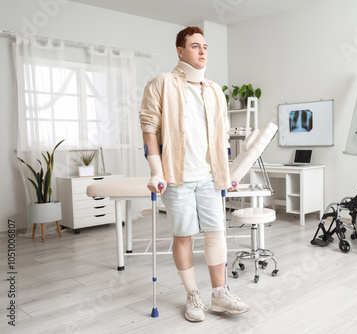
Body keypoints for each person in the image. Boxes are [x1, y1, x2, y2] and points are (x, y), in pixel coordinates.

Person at [139, 26, 249, 322]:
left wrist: (226, 173)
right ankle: (192, 295)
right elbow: (149, 128)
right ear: (180, 51)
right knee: (184, 236)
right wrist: (155, 170)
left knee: (216, 234)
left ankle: (220, 294)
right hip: (177, 177)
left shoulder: (214, 90)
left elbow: (221, 136)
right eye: (195, 46)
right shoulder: (162, 83)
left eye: (205, 46)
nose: (202, 51)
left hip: (210, 178)